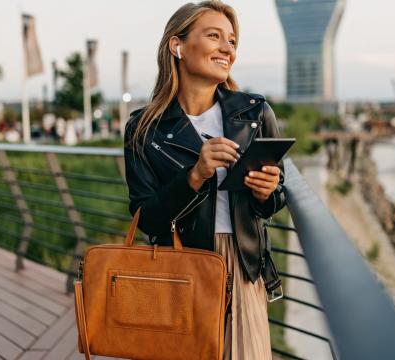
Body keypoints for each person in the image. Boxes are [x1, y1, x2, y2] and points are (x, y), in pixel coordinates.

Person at [123, 2, 286, 359]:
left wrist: (269, 191)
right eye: (214, 36)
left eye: (231, 40)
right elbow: (146, 217)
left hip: (242, 269)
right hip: (181, 269)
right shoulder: (143, 129)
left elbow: (276, 199)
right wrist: (195, 175)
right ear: (176, 46)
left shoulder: (256, 113)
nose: (228, 48)